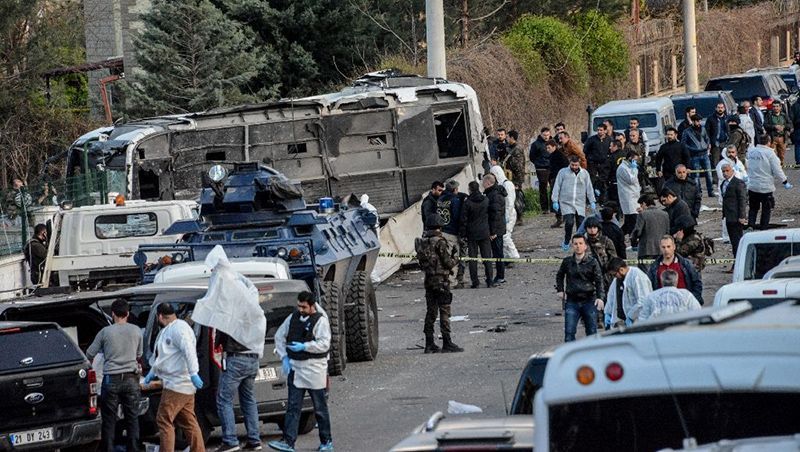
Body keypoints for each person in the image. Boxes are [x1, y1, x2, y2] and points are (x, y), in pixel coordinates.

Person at [269, 291, 334, 452]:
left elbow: (324, 344)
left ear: (312, 306)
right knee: (293, 407)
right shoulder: (293, 318)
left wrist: (306, 346)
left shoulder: (321, 321)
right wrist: (284, 357)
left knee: (320, 408)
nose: (301, 309)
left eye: (304, 307)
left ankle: (326, 441)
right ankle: (288, 441)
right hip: (296, 368)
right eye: (299, 306)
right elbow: (279, 336)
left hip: (315, 368)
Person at [144, 302, 206, 452]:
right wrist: (153, 371)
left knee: (163, 419)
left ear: (159, 316)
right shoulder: (172, 329)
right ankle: (199, 450)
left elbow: (189, 351)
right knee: (188, 421)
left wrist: (193, 373)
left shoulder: (178, 330)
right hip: (183, 384)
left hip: (177, 383)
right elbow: (166, 357)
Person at [85, 299, 143, 452]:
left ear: (112, 314)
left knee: (109, 419)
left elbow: (89, 353)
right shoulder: (136, 330)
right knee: (132, 418)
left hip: (111, 379)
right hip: (131, 379)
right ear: (128, 313)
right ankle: (134, 448)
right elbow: (139, 354)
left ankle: (109, 448)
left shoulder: (105, 332)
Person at [414, 217, 463, 354]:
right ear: (439, 227)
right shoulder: (440, 242)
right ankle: (447, 342)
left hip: (429, 280)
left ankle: (429, 343)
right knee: (445, 311)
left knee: (431, 312)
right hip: (442, 281)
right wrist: (455, 257)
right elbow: (448, 262)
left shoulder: (422, 242)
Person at [555, 234, 605, 342]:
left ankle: (592, 357)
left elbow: (599, 280)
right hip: (572, 301)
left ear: (585, 246)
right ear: (572, 246)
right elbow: (559, 275)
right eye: (575, 244)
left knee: (592, 332)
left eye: (581, 243)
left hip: (589, 300)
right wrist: (560, 290)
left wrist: (600, 297)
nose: (578, 246)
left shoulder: (592, 262)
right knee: (569, 333)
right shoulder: (567, 262)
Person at [746, 134, 791, 230]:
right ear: (769, 142)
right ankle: (764, 226)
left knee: (753, 207)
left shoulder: (752, 152)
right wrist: (785, 181)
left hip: (752, 185)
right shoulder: (770, 154)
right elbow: (777, 170)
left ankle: (751, 224)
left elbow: (747, 165)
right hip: (765, 186)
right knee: (766, 208)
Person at [552, 155, 596, 251]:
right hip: (566, 202)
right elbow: (557, 186)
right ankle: (567, 241)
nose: (574, 167)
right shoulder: (563, 172)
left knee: (581, 225)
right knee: (569, 222)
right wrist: (555, 200)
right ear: (570, 163)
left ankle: (580, 244)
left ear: (579, 164)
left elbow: (589, 187)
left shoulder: (584, 173)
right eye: (572, 165)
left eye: (576, 165)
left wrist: (592, 200)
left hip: (580, 202)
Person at [647, 235, 703, 305]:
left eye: (668, 246)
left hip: (684, 305)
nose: (666, 250)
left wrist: (693, 301)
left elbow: (697, 283)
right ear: (660, 248)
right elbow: (649, 287)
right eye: (663, 247)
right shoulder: (654, 267)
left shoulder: (686, 264)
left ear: (674, 247)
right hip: (663, 306)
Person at [460, 181, 494, 288]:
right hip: (484, 232)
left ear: (470, 189)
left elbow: (463, 220)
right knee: (487, 257)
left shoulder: (467, 203)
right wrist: (492, 231)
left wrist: (463, 234)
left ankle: (475, 282)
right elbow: (491, 216)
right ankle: (490, 281)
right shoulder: (486, 200)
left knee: (473, 259)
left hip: (472, 233)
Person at [604, 257, 653, 327]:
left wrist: (631, 316)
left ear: (621, 270)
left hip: (639, 320)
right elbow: (611, 297)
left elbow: (643, 300)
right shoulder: (617, 280)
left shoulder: (637, 277)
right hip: (623, 321)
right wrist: (607, 313)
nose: (614, 277)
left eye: (614, 274)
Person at [438, 180, 467, 288]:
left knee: (444, 257)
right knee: (453, 257)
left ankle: (444, 279)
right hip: (452, 232)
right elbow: (457, 216)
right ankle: (451, 281)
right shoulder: (455, 201)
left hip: (442, 231)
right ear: (455, 189)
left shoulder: (440, 199)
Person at [489, 166, 520, 265]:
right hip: (503, 213)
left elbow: (510, 202)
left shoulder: (507, 184)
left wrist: (506, 216)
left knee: (505, 235)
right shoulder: (501, 184)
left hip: (508, 214)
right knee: (502, 236)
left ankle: (513, 255)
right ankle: (507, 257)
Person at [682, 114, 716, 197]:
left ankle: (710, 191)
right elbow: (684, 143)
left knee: (709, 173)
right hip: (694, 156)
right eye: (697, 121)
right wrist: (692, 149)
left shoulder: (703, 129)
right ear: (693, 121)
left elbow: (707, 139)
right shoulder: (687, 132)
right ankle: (698, 192)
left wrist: (707, 146)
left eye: (699, 121)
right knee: (696, 176)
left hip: (704, 154)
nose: (698, 122)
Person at [720, 163, 748, 262]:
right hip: (728, 217)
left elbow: (742, 200)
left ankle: (738, 262)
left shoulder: (738, 183)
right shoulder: (723, 183)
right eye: (723, 171)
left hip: (736, 217)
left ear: (732, 171)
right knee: (733, 241)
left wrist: (742, 216)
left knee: (737, 241)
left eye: (727, 171)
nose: (725, 173)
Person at [483, 173, 507, 284]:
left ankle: (500, 276)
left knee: (498, 253)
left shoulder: (494, 195)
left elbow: (495, 215)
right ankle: (499, 275)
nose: (482, 184)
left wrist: (493, 232)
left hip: (496, 230)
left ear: (488, 182)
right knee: (497, 253)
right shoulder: (494, 193)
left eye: (483, 182)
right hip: (498, 228)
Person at [632, 194, 670, 263]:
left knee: (644, 272)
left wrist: (633, 240)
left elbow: (637, 231)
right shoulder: (665, 214)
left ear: (644, 203)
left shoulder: (642, 214)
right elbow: (667, 232)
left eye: (641, 205)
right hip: (661, 249)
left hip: (646, 249)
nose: (641, 207)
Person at [584, 216, 617, 291]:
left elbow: (613, 258)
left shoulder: (606, 241)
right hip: (588, 275)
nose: (592, 230)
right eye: (590, 228)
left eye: (594, 227)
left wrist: (608, 268)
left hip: (605, 275)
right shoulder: (583, 242)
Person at [616, 150, 641, 236]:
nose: (636, 162)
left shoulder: (629, 167)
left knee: (629, 222)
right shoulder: (623, 168)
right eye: (635, 160)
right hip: (628, 197)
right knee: (632, 221)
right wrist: (634, 169)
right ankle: (631, 238)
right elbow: (632, 180)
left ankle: (618, 236)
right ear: (630, 158)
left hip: (634, 196)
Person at [584, 124, 611, 201]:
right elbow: (585, 150)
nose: (599, 132)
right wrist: (590, 158)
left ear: (605, 131)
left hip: (604, 163)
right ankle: (591, 198)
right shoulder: (592, 139)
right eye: (598, 130)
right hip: (593, 163)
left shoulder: (609, 139)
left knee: (603, 180)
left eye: (601, 130)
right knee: (592, 180)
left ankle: (603, 198)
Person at [547, 139, 570, 229]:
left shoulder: (559, 155)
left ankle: (561, 217)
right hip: (554, 178)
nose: (547, 150)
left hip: (559, 180)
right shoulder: (552, 156)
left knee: (557, 198)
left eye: (549, 148)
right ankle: (560, 217)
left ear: (554, 147)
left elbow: (565, 167)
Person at [530, 127, 553, 213]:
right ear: (541, 134)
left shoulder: (553, 142)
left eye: (547, 135)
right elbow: (532, 156)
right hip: (541, 167)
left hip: (552, 167)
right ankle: (544, 208)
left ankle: (553, 207)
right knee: (543, 188)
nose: (546, 137)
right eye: (544, 135)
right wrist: (538, 163)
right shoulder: (536, 144)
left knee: (553, 187)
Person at [706, 102, 730, 184]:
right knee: (715, 163)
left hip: (725, 143)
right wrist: (709, 142)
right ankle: (716, 179)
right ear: (716, 108)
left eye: (722, 107)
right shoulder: (711, 119)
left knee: (726, 161)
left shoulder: (727, 118)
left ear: (724, 108)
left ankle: (726, 177)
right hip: (715, 144)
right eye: (719, 107)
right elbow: (707, 132)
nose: (720, 109)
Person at [606, 139, 625, 204]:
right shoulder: (626, 154)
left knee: (615, 201)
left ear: (615, 146)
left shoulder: (611, 157)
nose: (609, 148)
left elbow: (607, 170)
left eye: (611, 146)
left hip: (615, 183)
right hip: (626, 183)